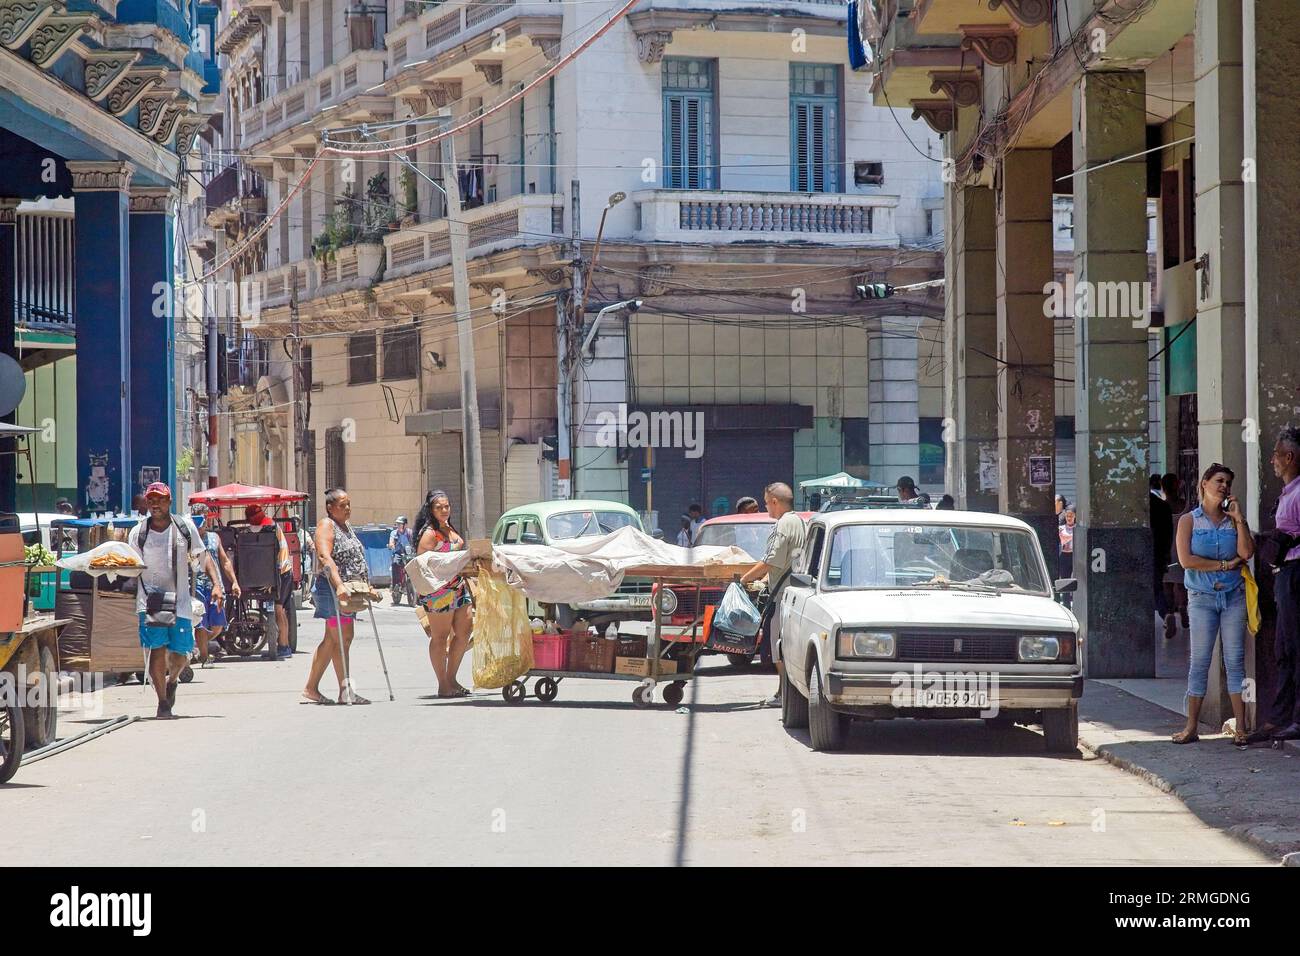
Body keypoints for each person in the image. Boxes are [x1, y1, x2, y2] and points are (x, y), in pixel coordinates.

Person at [1172, 463, 1254, 745]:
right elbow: (1186, 561)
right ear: (1204, 483)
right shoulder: (1189, 521)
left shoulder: (1233, 520)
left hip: (1234, 596)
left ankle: (1241, 726)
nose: (1224, 487)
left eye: (1228, 483)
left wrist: (1240, 518)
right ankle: (1191, 726)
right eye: (1219, 481)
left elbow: (1246, 552)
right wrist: (1223, 564)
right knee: (1200, 661)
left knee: (1235, 662)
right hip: (1201, 598)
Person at [128, 483, 219, 719]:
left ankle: (173, 679)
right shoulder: (138, 533)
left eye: (160, 499)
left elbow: (202, 556)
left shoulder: (184, 528)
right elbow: (130, 566)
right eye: (151, 500)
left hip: (180, 603)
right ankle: (162, 702)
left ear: (169, 501)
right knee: (156, 651)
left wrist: (217, 584)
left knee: (180, 654)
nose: (155, 504)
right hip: (149, 603)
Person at [740, 482, 806, 708]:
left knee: (778, 649)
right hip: (796, 595)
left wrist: (743, 579)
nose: (766, 507)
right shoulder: (799, 522)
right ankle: (787, 694)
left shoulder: (782, 525)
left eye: (767, 502)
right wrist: (764, 580)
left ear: (775, 502)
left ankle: (783, 695)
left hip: (783, 599)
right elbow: (787, 561)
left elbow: (769, 560)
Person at [303, 488, 371, 705]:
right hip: (332, 591)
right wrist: (339, 585)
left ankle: (312, 688)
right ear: (330, 508)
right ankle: (344, 691)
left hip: (347, 592)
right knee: (339, 638)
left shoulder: (346, 526)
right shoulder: (326, 525)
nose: (347, 508)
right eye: (342, 505)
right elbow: (325, 556)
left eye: (349, 504)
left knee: (337, 639)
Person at [1260, 428, 1300, 742]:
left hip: (1295, 573)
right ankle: (1280, 716)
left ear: (1289, 457)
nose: (1272, 460)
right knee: (1283, 648)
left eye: (1276, 454)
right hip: (1284, 574)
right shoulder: (1287, 492)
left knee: (1294, 647)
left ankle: (1295, 718)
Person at [414, 490, 473, 698]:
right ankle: (443, 684)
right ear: (431, 509)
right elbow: (422, 562)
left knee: (464, 632)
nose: (444, 510)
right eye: (439, 507)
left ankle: (452, 678)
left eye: (447, 506)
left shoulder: (448, 527)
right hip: (438, 591)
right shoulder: (430, 533)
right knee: (440, 637)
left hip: (457, 586)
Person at [190, 504, 239, 665]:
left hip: (215, 585)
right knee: (201, 623)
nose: (205, 522)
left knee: (217, 625)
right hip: (195, 585)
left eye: (206, 518)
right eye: (201, 518)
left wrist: (234, 582)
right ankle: (204, 657)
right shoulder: (188, 538)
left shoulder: (214, 538)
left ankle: (197, 645)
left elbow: (224, 561)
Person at [246, 504, 294, 659]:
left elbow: (268, 555)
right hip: (281, 571)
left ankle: (284, 646)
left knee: (279, 610)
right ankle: (283, 645)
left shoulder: (268, 527)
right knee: (280, 610)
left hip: (280, 572)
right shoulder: (269, 524)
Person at [1162, 473, 1189, 629]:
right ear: (1178, 485)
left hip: (1166, 549)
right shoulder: (1187, 507)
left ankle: (1170, 613)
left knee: (1167, 584)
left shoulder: (1161, 507)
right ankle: (1183, 607)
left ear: (1163, 488)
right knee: (1181, 583)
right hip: (1182, 548)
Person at [1150, 476, 1176, 638]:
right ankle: (1166, 614)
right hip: (1158, 553)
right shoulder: (1163, 506)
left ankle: (1165, 614)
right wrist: (1166, 556)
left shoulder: (1139, 507)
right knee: (1157, 588)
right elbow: (1168, 534)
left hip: (1139, 554)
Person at [388, 515, 413, 606]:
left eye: (400, 524)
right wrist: (391, 545)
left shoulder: (410, 532)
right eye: (397, 524)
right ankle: (396, 585)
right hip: (398, 553)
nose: (398, 525)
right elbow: (391, 542)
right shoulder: (394, 533)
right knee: (395, 563)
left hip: (409, 554)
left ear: (405, 525)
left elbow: (414, 542)